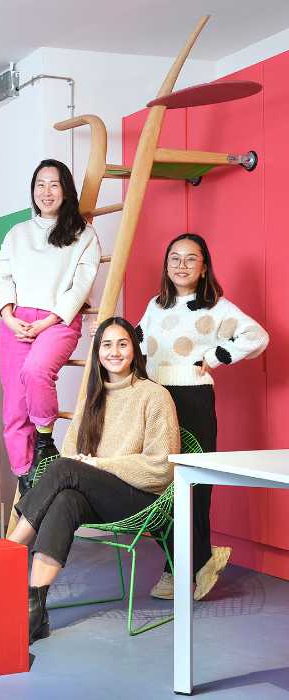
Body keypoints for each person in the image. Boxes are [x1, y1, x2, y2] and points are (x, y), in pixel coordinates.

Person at [8, 317, 179, 643]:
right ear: (98, 352)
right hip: (97, 495)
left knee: (61, 468)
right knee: (65, 499)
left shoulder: (154, 396)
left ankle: (10, 549)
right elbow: (73, 453)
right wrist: (90, 467)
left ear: (134, 349)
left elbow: (162, 468)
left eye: (122, 343)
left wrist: (101, 463)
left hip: (140, 497)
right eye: (107, 345)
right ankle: (35, 608)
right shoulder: (93, 398)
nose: (115, 352)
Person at [136, 233, 269, 601]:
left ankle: (186, 567)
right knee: (162, 484)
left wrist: (213, 359)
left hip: (193, 399)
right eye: (175, 258)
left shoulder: (217, 308)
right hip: (155, 399)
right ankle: (189, 563)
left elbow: (257, 336)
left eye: (191, 259)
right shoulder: (155, 305)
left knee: (193, 485)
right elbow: (139, 342)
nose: (181, 265)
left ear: (204, 266)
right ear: (166, 265)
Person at [0, 158, 101, 493]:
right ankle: (26, 476)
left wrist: (46, 322)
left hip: (58, 320)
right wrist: (10, 317)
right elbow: (3, 277)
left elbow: (80, 286)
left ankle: (44, 440)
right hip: (15, 321)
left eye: (54, 184)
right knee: (13, 405)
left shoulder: (83, 235)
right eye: (40, 184)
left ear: (66, 190)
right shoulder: (17, 233)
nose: (46, 191)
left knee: (37, 371)